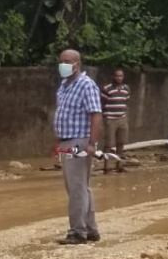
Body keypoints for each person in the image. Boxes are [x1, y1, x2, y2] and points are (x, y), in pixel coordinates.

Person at [53, 49, 102, 245]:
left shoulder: (86, 85)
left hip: (78, 141)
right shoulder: (65, 85)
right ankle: (90, 229)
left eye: (67, 61)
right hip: (67, 140)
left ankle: (77, 232)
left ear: (77, 64)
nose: (63, 65)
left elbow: (96, 115)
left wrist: (91, 143)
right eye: (61, 61)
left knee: (76, 187)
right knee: (81, 186)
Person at [100, 68, 130, 174]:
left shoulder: (126, 89)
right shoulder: (107, 89)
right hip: (110, 119)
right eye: (117, 76)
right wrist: (104, 117)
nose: (119, 78)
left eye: (121, 76)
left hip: (122, 118)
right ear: (113, 76)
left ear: (123, 77)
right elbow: (102, 103)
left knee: (121, 143)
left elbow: (126, 101)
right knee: (108, 144)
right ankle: (106, 167)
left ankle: (119, 166)